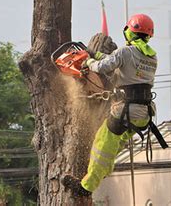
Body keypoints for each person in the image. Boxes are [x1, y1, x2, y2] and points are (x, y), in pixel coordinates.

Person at [62, 13, 158, 197]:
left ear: (129, 31)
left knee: (102, 144)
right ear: (148, 35)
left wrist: (88, 60)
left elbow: (103, 67)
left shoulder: (125, 52)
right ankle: (103, 172)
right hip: (144, 114)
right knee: (115, 144)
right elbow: (117, 61)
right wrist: (95, 53)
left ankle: (86, 187)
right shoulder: (151, 57)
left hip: (127, 110)